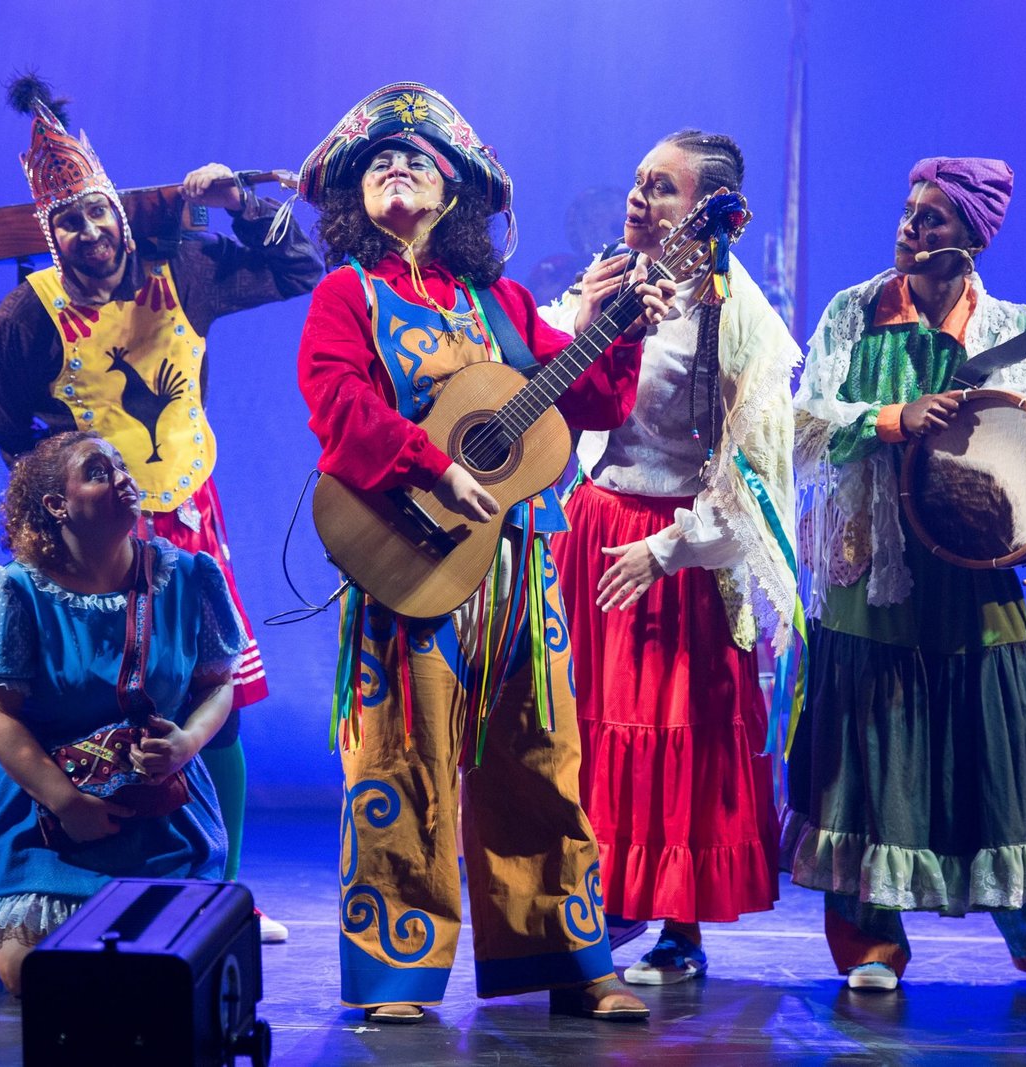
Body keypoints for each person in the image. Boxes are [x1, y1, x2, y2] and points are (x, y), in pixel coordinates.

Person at [295, 82, 676, 1023]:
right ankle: (397, 976)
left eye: (416, 158)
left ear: (453, 191)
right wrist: (430, 463)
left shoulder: (499, 302)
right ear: (356, 196)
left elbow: (584, 402)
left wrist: (623, 330)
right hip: (408, 556)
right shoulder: (349, 295)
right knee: (399, 761)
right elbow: (337, 404)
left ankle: (571, 957)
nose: (395, 166)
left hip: (517, 564)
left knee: (544, 754)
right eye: (378, 160)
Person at [784, 157, 1026, 993]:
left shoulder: (1014, 334)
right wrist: (892, 417)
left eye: (933, 218)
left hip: (972, 572)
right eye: (908, 211)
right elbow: (800, 422)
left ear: (973, 238)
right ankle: (871, 948)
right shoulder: (856, 313)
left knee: (1003, 746)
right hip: (869, 568)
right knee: (863, 751)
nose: (909, 229)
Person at [0, 77, 322, 942]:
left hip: (188, 522)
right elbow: (5, 427)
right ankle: (68, 878)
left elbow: (296, 268)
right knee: (80, 707)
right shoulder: (27, 315)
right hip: (92, 538)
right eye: (70, 223)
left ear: (123, 216)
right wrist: (54, 530)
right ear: (49, 233)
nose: (90, 234)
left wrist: (240, 202)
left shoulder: (187, 271)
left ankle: (224, 889)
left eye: (99, 215)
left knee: (218, 703)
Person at [542, 131, 800, 985]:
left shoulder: (742, 322)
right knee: (590, 730)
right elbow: (543, 383)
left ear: (706, 213)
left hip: (676, 549)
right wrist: (582, 317)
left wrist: (668, 549)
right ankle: (593, 902)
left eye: (661, 188)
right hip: (592, 531)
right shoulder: (609, 281)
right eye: (636, 180)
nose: (638, 198)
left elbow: (756, 484)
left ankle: (676, 924)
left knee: (672, 732)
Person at [0, 431, 245, 995]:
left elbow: (217, 685)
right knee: (35, 974)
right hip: (48, 816)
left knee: (156, 971)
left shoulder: (186, 577)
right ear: (58, 505)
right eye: (99, 472)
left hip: (160, 816)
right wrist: (68, 803)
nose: (123, 479)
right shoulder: (12, 590)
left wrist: (187, 742)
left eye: (122, 468)